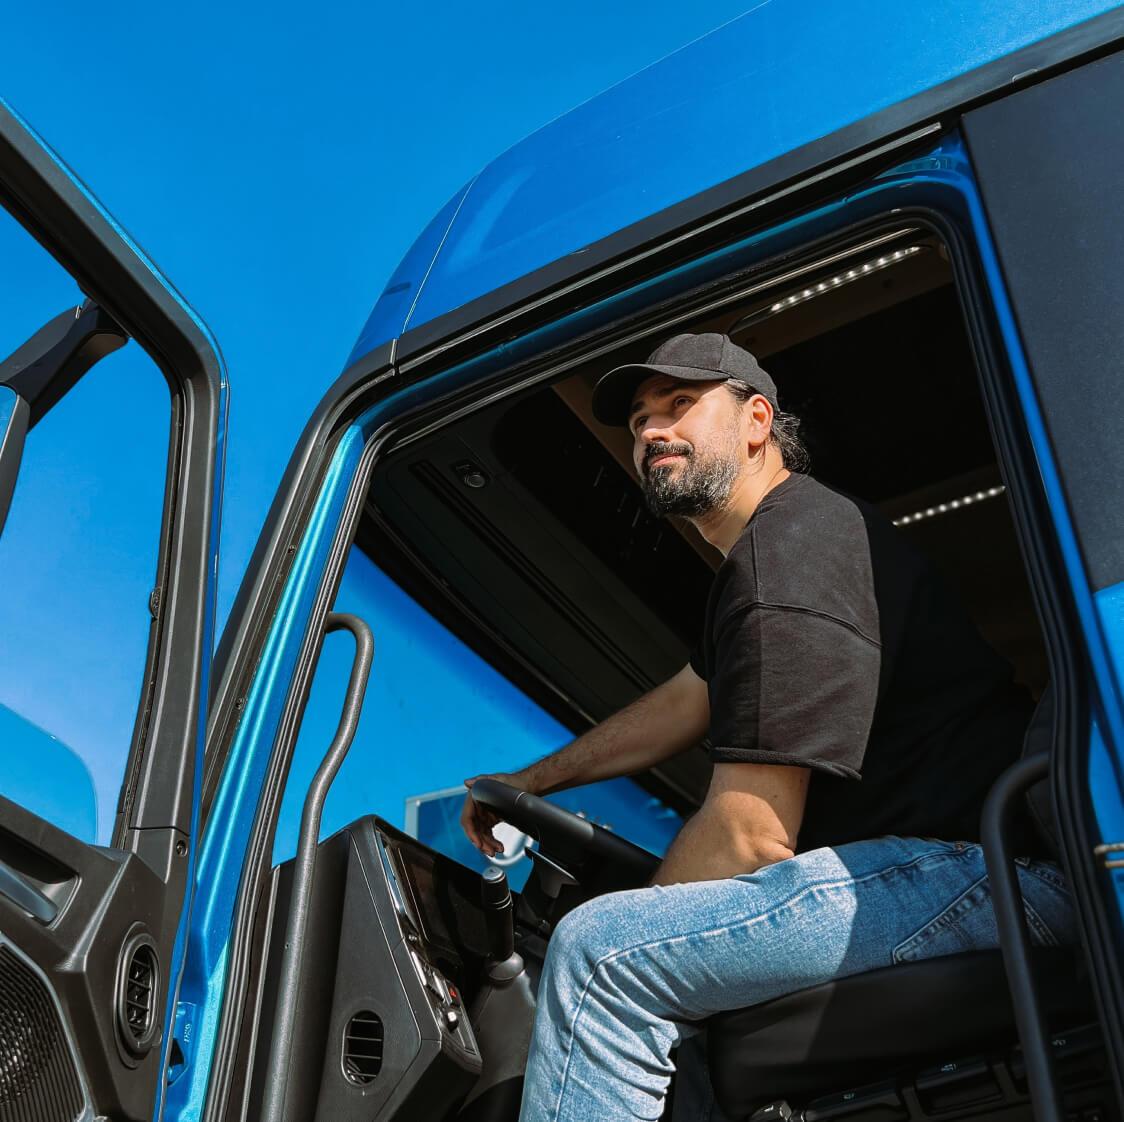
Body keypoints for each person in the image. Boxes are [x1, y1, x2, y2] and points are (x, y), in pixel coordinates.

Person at [460, 332, 1075, 1122]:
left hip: (990, 880)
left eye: (680, 405)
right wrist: (532, 782)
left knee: (600, 956)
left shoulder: (789, 547)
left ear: (757, 421)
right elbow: (688, 699)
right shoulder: (779, 551)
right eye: (640, 421)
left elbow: (750, 836)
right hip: (973, 877)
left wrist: (653, 918)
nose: (652, 431)